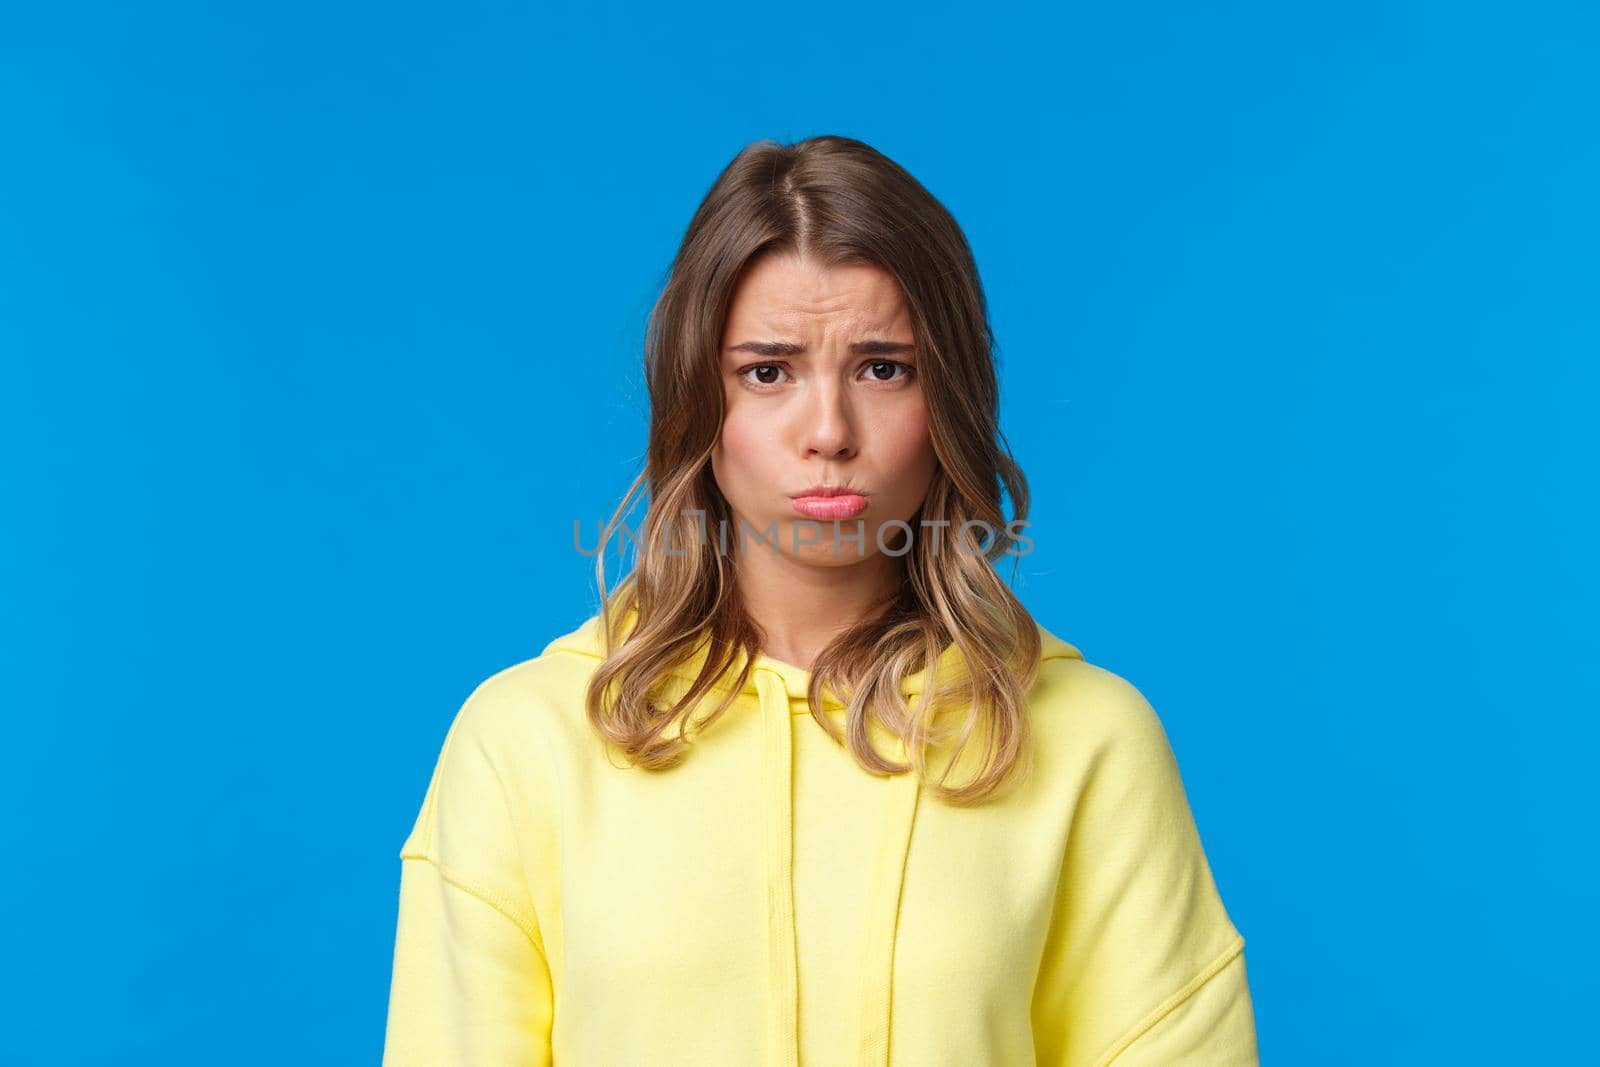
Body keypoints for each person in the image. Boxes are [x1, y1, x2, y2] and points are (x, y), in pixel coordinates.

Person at [380, 134, 1258, 1066]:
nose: (829, 431)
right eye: (768, 371)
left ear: (949, 398)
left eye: (884, 367)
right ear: (695, 402)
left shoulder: (1090, 738)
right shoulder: (526, 739)